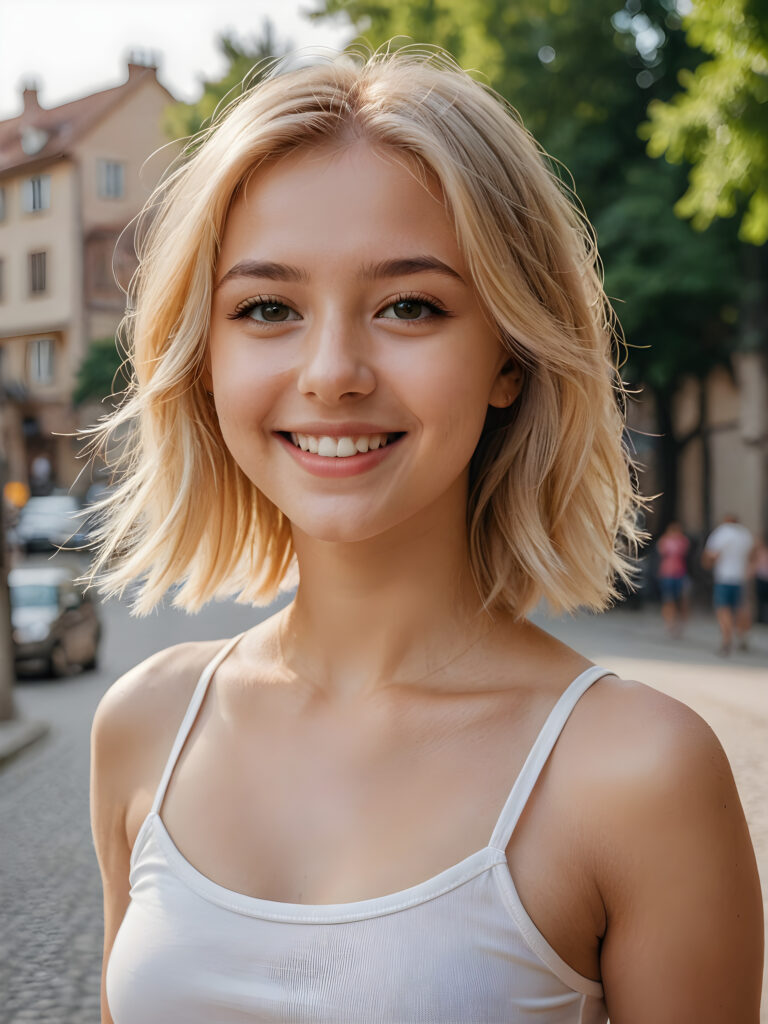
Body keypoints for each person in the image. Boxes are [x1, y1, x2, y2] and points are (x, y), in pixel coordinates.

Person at [88, 50, 763, 1024]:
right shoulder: (145, 724)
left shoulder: (637, 771)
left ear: (510, 358)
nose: (332, 372)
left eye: (411, 305)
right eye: (268, 308)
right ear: (204, 358)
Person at [702, 514, 756, 655]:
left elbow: (711, 554)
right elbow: (753, 554)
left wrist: (707, 565)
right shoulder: (745, 534)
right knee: (741, 608)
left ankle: (727, 639)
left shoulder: (721, 533)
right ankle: (743, 636)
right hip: (740, 577)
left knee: (723, 609)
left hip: (724, 577)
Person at [655, 520, 690, 637]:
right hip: (667, 573)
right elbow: (662, 551)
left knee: (681, 600)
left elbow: (684, 551)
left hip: (679, 573)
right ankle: (669, 622)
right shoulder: (665, 541)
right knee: (668, 599)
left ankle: (679, 621)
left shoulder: (683, 541)